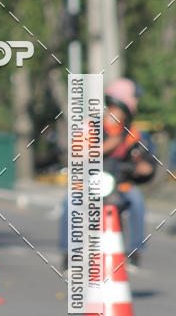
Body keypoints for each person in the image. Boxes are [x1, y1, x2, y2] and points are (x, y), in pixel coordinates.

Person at [60, 78, 155, 271]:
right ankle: (69, 255)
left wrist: (143, 167)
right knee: (70, 201)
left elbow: (144, 160)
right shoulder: (90, 127)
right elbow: (75, 154)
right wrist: (103, 148)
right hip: (89, 183)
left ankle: (134, 253)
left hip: (120, 184)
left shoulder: (133, 133)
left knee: (136, 200)